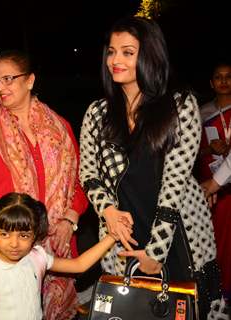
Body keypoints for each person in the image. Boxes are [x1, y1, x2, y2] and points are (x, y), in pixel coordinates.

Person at [79, 15, 229, 319]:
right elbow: (88, 173)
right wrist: (106, 210)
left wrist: (156, 252)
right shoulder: (98, 113)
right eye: (111, 51)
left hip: (177, 231)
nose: (115, 60)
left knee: (187, 309)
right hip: (122, 235)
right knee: (129, 310)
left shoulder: (179, 105)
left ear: (149, 56)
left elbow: (174, 183)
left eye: (127, 52)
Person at [0, 49, 88, 320]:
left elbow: (79, 180)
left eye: (8, 79)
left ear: (30, 80)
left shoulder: (59, 127)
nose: (0, 88)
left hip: (54, 249)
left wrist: (69, 219)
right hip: (8, 247)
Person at [0, 192, 115, 320]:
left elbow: (79, 265)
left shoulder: (37, 257)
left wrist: (112, 236)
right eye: (5, 234)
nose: (14, 244)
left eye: (24, 235)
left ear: (35, 233)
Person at [198, 60, 231, 304]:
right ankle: (214, 286)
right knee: (213, 236)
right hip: (210, 184)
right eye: (218, 77)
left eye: (228, 76)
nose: (223, 81)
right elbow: (192, 152)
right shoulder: (202, 113)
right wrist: (209, 147)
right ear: (211, 83)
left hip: (226, 183)